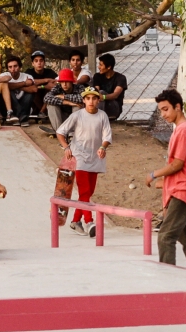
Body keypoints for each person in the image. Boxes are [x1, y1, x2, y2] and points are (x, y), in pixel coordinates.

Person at [147, 89, 186, 271]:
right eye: (161, 110)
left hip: (185, 189)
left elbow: (177, 164)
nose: (163, 114)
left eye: (166, 109)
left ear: (178, 107)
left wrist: (153, 174)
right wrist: (165, 183)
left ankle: (168, 280)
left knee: (165, 236)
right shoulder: (182, 130)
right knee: (185, 234)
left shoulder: (183, 130)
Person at [56, 87, 113, 236]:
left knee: (88, 192)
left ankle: (75, 221)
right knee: (84, 191)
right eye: (88, 98)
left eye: (94, 98)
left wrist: (103, 147)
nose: (91, 101)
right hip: (78, 157)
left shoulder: (103, 116)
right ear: (83, 100)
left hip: (95, 158)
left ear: (98, 100)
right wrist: (66, 148)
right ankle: (89, 221)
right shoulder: (78, 115)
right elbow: (60, 132)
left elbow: (107, 137)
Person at [0, 54, 34, 125]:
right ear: (7, 68)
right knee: (9, 90)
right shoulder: (4, 75)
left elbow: (34, 89)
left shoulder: (27, 76)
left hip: (23, 104)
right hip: (9, 107)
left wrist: (15, 86)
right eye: (10, 67)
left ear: (20, 67)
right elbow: (4, 86)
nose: (13, 69)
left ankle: (20, 117)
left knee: (29, 94)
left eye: (15, 66)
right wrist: (24, 83)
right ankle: (21, 117)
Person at [43, 69, 82, 133]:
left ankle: (73, 133)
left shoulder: (79, 87)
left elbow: (82, 98)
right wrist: (67, 103)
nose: (65, 84)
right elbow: (46, 98)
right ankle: (60, 132)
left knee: (77, 105)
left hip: (76, 121)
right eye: (62, 82)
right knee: (51, 105)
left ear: (71, 82)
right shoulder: (58, 88)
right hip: (61, 118)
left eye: (67, 81)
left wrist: (64, 97)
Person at [91, 54, 127, 120]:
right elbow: (96, 91)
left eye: (101, 65)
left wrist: (103, 97)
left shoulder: (120, 78)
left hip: (114, 108)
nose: (98, 67)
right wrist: (99, 96)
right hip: (100, 104)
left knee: (101, 93)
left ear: (109, 67)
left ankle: (97, 118)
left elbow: (116, 95)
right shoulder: (97, 76)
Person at [26, 51, 58, 119]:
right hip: (34, 99)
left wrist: (45, 86)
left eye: (41, 60)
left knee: (52, 89)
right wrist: (46, 81)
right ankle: (43, 112)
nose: (39, 63)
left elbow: (56, 82)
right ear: (33, 63)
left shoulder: (50, 72)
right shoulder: (29, 72)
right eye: (36, 61)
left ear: (44, 62)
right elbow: (29, 82)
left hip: (47, 97)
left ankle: (42, 112)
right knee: (33, 89)